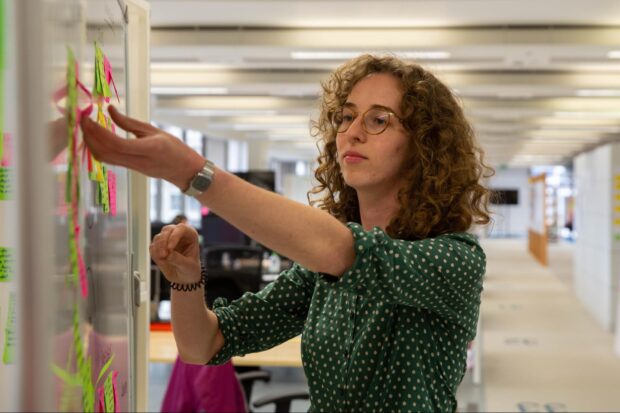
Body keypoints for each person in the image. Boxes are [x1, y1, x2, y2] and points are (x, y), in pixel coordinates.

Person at [81, 54, 493, 412]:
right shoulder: (320, 273)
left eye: (379, 120)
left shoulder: (454, 259)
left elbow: (342, 250)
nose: (352, 131)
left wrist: (189, 171)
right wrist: (187, 282)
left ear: (423, 146)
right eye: (347, 116)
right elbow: (203, 345)